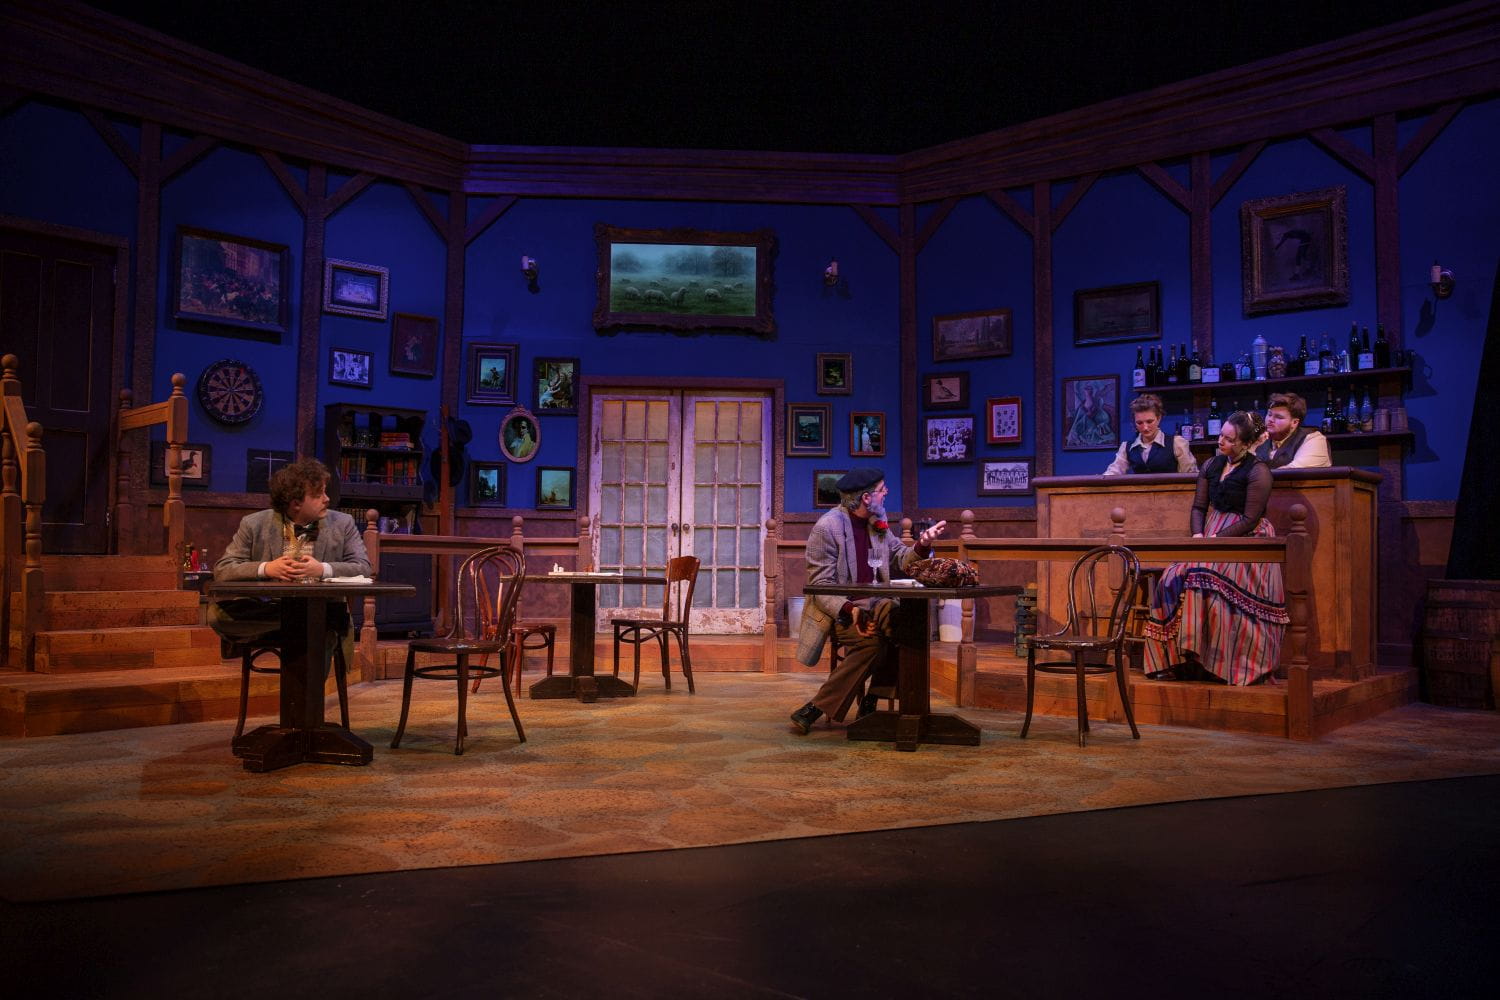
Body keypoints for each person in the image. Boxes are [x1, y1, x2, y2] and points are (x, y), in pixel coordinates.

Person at [789, 468, 947, 733]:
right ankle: (832, 705)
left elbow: (901, 558)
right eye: (882, 490)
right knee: (875, 641)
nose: (886, 493)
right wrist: (850, 609)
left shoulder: (877, 521)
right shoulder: (827, 528)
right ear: (866, 497)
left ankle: (878, 703)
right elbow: (820, 587)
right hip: (843, 611)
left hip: (878, 604)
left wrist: (922, 544)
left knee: (904, 623)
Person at [1143, 411, 1289, 686]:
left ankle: (1219, 663)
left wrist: (1216, 541)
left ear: (1246, 444)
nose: (1221, 441)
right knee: (1172, 576)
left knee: (1203, 575)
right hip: (1211, 533)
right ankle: (1174, 660)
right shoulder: (1211, 464)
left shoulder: (1258, 471)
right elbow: (1199, 507)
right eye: (1221, 435)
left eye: (1230, 439)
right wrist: (1199, 535)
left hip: (1246, 541)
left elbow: (1250, 519)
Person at [211, 458, 371, 665]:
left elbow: (363, 568)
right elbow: (223, 569)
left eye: (325, 492)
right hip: (270, 609)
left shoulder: (342, 523)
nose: (327, 499)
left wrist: (321, 569)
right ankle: (306, 622)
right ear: (296, 504)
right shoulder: (254, 524)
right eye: (318, 495)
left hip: (319, 607)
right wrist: (267, 568)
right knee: (217, 615)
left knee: (320, 626)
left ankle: (312, 625)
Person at [1103, 393, 1198, 475]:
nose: (1145, 427)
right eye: (1139, 423)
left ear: (1159, 418)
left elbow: (1190, 476)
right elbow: (1113, 472)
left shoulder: (1176, 443)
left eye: (1149, 421)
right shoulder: (1127, 447)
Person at [1254, 392, 1331, 468]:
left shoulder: (1313, 438)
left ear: (1294, 422)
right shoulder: (1260, 438)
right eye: (1269, 414)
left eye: (1279, 417)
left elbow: (1295, 471)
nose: (1270, 419)